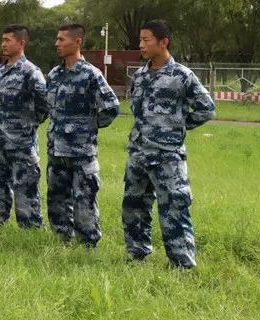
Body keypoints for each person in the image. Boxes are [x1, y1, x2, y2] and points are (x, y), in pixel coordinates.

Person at [123, 19, 215, 269]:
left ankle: (182, 265)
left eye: (146, 40)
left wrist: (176, 128)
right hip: (139, 153)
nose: (140, 44)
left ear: (163, 42)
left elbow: (207, 109)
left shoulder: (182, 75)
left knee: (174, 209)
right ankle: (136, 255)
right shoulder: (139, 76)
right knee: (134, 206)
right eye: (140, 39)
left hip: (167, 156)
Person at [45, 23, 120, 247]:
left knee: (84, 199)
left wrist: (87, 128)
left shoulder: (90, 74)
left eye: (62, 39)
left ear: (77, 42)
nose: (56, 44)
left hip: (81, 153)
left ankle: (88, 245)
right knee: (56, 198)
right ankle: (61, 241)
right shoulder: (55, 74)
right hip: (56, 148)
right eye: (57, 39)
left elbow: (111, 107)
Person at [0, 25, 49, 227]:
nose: (3, 44)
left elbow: (43, 105)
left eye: (8, 40)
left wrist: (26, 126)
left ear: (21, 43)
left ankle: (29, 229)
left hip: (21, 144)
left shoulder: (31, 72)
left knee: (26, 189)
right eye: (2, 40)